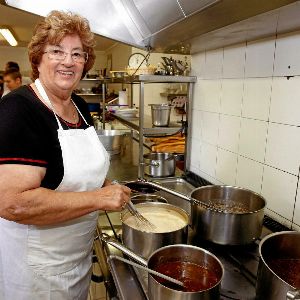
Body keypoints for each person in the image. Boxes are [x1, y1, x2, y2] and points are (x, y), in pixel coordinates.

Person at [0, 10, 131, 300]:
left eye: (78, 54)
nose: (68, 61)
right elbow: (13, 203)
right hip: (35, 272)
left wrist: (106, 184)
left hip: (76, 261)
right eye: (57, 51)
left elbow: (80, 170)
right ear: (38, 58)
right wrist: (98, 198)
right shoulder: (19, 109)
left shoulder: (81, 107)